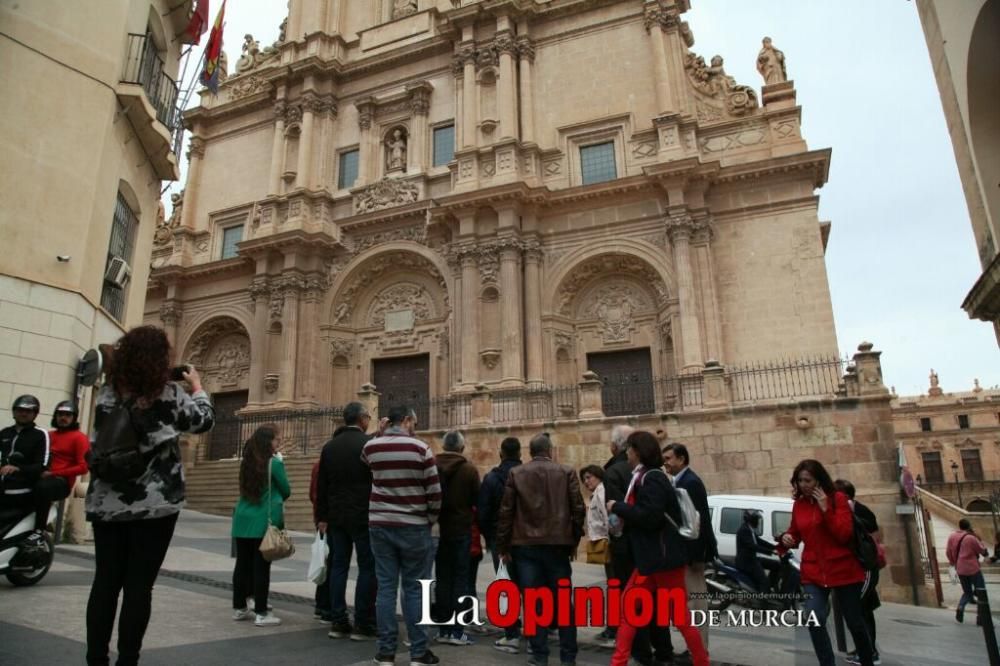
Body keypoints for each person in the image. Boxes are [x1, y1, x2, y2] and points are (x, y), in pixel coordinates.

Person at [85, 325, 214, 666]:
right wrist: (198, 388)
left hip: (106, 502)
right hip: (153, 505)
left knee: (105, 584)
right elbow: (203, 421)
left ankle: (95, 659)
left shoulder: (108, 392)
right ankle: (128, 660)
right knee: (138, 588)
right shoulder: (168, 394)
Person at [606, 431, 709, 666]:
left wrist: (618, 507)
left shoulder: (652, 478)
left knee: (679, 617)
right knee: (630, 609)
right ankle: (618, 660)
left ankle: (702, 660)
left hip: (661, 559)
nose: (628, 454)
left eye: (630, 449)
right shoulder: (646, 477)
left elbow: (650, 516)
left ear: (638, 452)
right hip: (651, 559)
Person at [496, 433, 585, 666]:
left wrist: (503, 546)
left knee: (533, 602)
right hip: (557, 546)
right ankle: (568, 657)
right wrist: (573, 540)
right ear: (550, 450)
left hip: (525, 547)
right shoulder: (566, 472)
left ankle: (539, 654)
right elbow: (577, 508)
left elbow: (506, 513)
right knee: (564, 601)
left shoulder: (516, 474)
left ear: (530, 452)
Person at [361, 405, 441, 666]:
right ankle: (418, 653)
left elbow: (365, 459)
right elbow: (435, 492)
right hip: (414, 526)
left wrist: (379, 433)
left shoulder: (372, 447)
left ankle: (385, 653)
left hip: (380, 525)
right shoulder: (421, 448)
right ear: (407, 421)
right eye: (414, 421)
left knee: (385, 588)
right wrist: (428, 519)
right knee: (415, 589)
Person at [778, 459, 875, 666]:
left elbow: (843, 534)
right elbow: (796, 532)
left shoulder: (838, 499)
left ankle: (867, 660)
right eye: (799, 480)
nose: (803, 485)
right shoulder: (799, 505)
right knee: (814, 619)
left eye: (808, 480)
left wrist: (825, 509)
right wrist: (787, 539)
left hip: (843, 570)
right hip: (813, 571)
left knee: (855, 623)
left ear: (819, 480)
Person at [315, 401, 377, 640]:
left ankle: (338, 620)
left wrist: (322, 516)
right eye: (367, 417)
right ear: (361, 419)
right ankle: (363, 623)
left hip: (336, 516)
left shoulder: (329, 447)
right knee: (367, 567)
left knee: (338, 566)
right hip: (363, 515)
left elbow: (323, 485)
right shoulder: (368, 445)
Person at [231, 426, 290, 626]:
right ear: (268, 442)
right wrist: (280, 464)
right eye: (276, 439)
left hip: (242, 519)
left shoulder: (246, 463)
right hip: (262, 520)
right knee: (261, 567)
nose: (278, 443)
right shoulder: (274, 463)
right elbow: (286, 490)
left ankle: (239, 607)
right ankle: (262, 613)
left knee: (242, 565)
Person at [663, 441, 717, 653]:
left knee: (696, 603)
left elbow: (696, 521)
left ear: (681, 459)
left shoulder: (690, 482)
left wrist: (694, 555)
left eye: (668, 458)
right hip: (688, 552)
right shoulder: (681, 480)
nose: (665, 463)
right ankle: (695, 646)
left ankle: (699, 649)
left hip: (693, 553)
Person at [433, 429, 480, 646]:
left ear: (443, 446)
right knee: (460, 580)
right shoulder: (469, 470)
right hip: (461, 531)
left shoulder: (432, 466)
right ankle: (457, 631)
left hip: (438, 531)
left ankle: (442, 630)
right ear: (461, 448)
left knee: (442, 580)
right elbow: (477, 500)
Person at [478, 436, 523, 654]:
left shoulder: (491, 478)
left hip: (500, 540)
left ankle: (512, 635)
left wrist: (490, 537)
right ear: (520, 454)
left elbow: (484, 512)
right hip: (526, 539)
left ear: (501, 454)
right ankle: (536, 632)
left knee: (506, 586)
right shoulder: (528, 475)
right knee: (529, 585)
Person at [835, 479, 882, 666]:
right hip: (860, 570)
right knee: (864, 611)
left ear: (845, 496)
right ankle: (868, 650)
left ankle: (869, 654)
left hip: (865, 570)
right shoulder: (853, 510)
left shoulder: (859, 512)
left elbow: (873, 539)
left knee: (857, 610)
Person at [37, 400, 90, 531]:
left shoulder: (79, 438)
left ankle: (39, 530)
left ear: (74, 418)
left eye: (67, 415)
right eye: (60, 414)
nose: (63, 418)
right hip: (41, 476)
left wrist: (54, 473)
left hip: (60, 481)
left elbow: (83, 467)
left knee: (42, 487)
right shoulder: (48, 435)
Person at [579, 464, 614, 648]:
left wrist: (608, 539)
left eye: (589, 477)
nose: (586, 482)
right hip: (604, 542)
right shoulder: (597, 493)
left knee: (614, 585)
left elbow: (608, 520)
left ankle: (614, 627)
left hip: (607, 543)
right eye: (584, 479)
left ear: (598, 476)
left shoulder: (601, 494)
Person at [0, 395, 50, 521]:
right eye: (20, 410)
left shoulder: (40, 434)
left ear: (35, 414)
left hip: (23, 486)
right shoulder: (5, 433)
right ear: (14, 412)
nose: (23, 414)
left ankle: (38, 531)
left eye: (28, 411)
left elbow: (42, 465)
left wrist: (17, 468)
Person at [947, 519, 988, 624]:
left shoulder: (952, 536)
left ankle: (960, 607)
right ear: (969, 526)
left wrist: (953, 562)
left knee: (967, 592)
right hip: (973, 568)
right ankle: (980, 617)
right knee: (981, 591)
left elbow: (948, 551)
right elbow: (981, 550)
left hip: (960, 568)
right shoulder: (971, 538)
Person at [735, 510, 773, 592]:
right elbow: (753, 546)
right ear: (751, 520)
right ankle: (763, 601)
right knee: (763, 581)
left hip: (752, 559)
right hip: (747, 562)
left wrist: (775, 547)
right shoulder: (744, 530)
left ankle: (771, 587)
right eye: (756, 520)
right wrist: (771, 552)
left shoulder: (749, 528)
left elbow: (759, 541)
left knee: (776, 565)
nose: (758, 522)